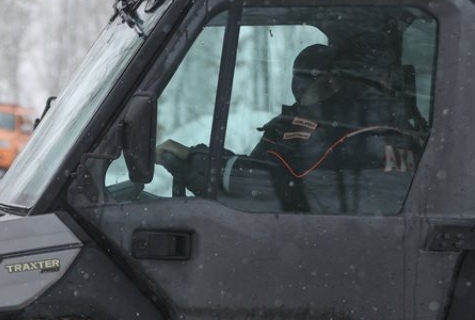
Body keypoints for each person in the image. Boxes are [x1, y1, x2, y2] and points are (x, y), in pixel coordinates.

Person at [156, 42, 423, 211]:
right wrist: (201, 164)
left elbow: (275, 187)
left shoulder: (353, 133)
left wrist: (195, 161)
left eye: (304, 83)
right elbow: (266, 173)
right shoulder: (363, 125)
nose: (297, 92)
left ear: (332, 82)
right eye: (296, 82)